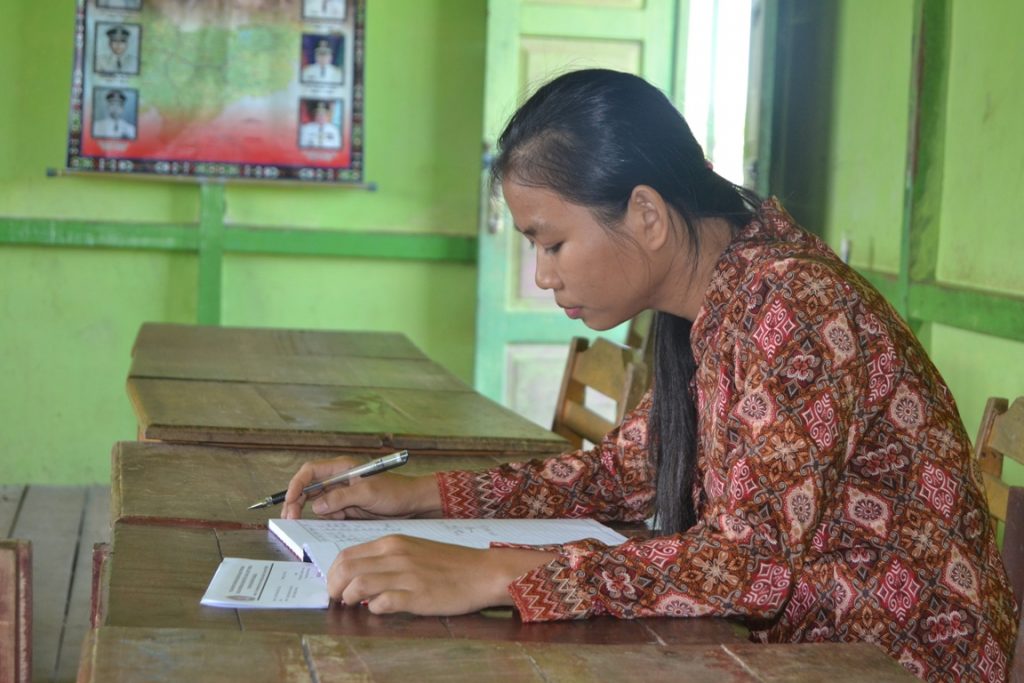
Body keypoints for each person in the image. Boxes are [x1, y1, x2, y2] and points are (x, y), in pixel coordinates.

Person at [282, 69, 1017, 681]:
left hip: (896, 662)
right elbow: (620, 474)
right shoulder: (716, 302)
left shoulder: (791, 303)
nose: (541, 276)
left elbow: (751, 561)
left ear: (647, 214)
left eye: (553, 242)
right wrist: (412, 497)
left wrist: (500, 573)